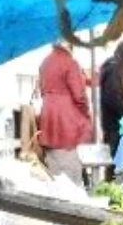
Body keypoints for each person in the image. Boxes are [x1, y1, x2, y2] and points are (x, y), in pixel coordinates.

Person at [37, 44, 93, 185]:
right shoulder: (70, 62)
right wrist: (86, 113)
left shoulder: (45, 62)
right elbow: (79, 95)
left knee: (53, 165)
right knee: (69, 167)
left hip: (47, 114)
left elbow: (42, 89)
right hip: (66, 118)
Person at [99, 40, 123, 158]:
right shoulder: (114, 71)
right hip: (116, 129)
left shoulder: (114, 68)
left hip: (116, 127)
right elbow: (115, 98)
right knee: (118, 164)